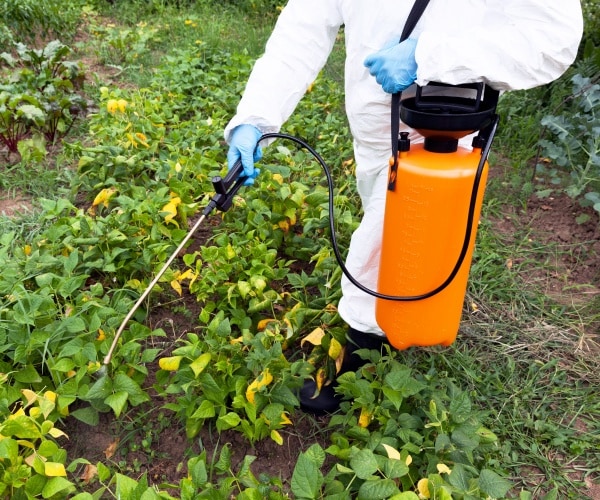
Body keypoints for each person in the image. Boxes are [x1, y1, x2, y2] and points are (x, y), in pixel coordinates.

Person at [224, 0, 584, 414]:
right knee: (395, 236)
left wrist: (427, 54)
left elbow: (552, 39)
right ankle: (397, 315)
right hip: (373, 123)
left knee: (380, 243)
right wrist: (256, 117)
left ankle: (362, 357)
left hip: (444, 121)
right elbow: (303, 28)